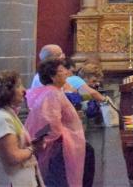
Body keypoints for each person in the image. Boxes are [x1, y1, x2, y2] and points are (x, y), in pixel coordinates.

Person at [25, 59, 92, 187]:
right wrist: (49, 140)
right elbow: (50, 122)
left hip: (61, 143)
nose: (66, 72)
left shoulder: (52, 91)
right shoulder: (52, 93)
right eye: (61, 70)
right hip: (61, 146)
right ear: (52, 76)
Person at [0, 70, 43, 186]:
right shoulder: (1, 118)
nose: (24, 90)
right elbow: (12, 157)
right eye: (19, 86)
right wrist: (33, 149)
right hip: (10, 181)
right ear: (7, 91)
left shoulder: (5, 114)